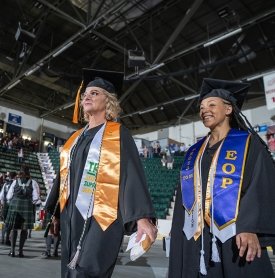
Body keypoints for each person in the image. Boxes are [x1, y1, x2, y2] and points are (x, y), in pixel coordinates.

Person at [45, 69, 157, 278]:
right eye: (86, 93)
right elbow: (63, 179)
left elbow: (130, 175)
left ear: (109, 102)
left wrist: (141, 217)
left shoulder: (117, 134)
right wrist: (56, 215)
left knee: (88, 271)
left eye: (95, 93)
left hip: (102, 216)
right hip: (71, 216)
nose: (87, 96)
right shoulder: (74, 139)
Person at [169, 78, 275, 278]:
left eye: (211, 105)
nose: (204, 110)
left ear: (228, 109)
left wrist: (250, 227)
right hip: (198, 239)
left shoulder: (247, 144)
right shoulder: (194, 153)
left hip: (234, 235)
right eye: (201, 107)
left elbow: (260, 186)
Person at [5, 166, 40, 257]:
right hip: (27, 206)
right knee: (24, 230)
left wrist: (13, 201)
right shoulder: (33, 182)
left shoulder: (14, 182)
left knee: (14, 228)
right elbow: (36, 198)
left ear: (20, 172)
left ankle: (12, 251)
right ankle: (20, 251)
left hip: (15, 205)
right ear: (29, 173)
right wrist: (29, 202)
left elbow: (8, 196)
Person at [0, 172, 17, 245]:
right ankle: (7, 239)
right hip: (13, 205)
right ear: (15, 176)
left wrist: (2, 204)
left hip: (5, 205)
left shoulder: (5, 184)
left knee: (4, 222)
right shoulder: (16, 183)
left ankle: (2, 238)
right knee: (11, 224)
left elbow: (1, 197)